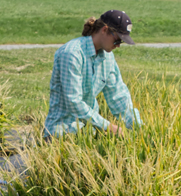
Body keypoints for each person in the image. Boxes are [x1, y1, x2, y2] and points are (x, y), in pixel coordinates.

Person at [42, 10, 142, 139]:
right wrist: (108, 126)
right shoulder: (71, 54)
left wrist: (138, 127)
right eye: (117, 40)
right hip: (61, 134)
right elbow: (74, 102)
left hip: (89, 133)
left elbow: (118, 96)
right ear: (105, 30)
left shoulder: (108, 57)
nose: (118, 46)